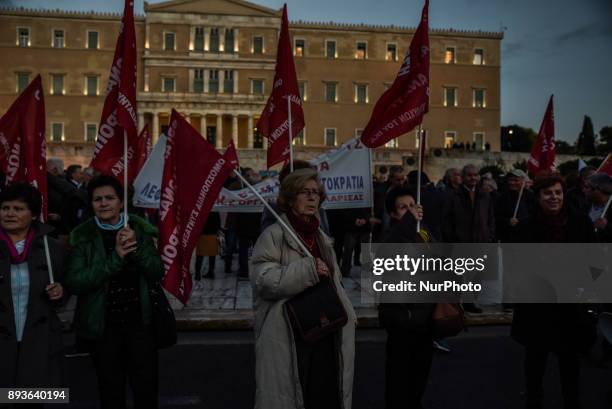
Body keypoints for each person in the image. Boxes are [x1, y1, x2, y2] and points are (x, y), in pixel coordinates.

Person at [250, 168, 356, 409]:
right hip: (292, 331)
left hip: (327, 327)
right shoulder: (273, 235)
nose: (311, 198)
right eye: (304, 192)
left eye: (315, 193)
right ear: (289, 198)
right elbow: (263, 281)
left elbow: (334, 281)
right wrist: (306, 271)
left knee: (326, 392)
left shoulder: (322, 237)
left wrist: (349, 312)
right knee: (298, 393)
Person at [64, 175, 164, 409]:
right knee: (110, 390)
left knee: (146, 389)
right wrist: (116, 257)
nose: (104, 203)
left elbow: (156, 272)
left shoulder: (138, 228)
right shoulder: (83, 236)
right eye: (97, 199)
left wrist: (136, 249)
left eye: (110, 198)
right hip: (103, 327)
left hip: (140, 324)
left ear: (121, 202)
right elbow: (76, 281)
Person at [511, 172, 597, 409]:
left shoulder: (580, 222)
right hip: (537, 308)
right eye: (548, 193)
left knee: (570, 364)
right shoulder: (526, 227)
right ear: (538, 196)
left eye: (558, 192)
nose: (554, 197)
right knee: (535, 364)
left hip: (570, 307)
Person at [0, 183, 66, 395]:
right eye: (5, 208)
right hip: (3, 343)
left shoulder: (51, 247)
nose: (9, 213)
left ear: (34, 215)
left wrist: (60, 293)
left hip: (38, 342)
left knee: (32, 401)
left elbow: (67, 291)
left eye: (18, 209)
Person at [378, 187, 437, 409]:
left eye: (413, 205)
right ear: (393, 215)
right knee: (399, 378)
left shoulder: (425, 233)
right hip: (403, 319)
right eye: (404, 208)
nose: (411, 210)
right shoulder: (391, 237)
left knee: (420, 375)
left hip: (426, 318)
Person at [442, 164, 496, 313]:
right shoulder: (454, 195)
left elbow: (490, 217)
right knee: (460, 275)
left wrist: (489, 235)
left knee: (476, 274)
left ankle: (471, 302)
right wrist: (451, 238)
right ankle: (459, 303)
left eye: (475, 175)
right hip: (461, 242)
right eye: (469, 175)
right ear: (463, 177)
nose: (473, 178)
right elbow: (447, 219)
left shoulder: (485, 194)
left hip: (480, 241)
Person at [495, 169, 534, 242]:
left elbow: (533, 214)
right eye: (510, 180)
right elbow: (497, 217)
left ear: (523, 181)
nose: (512, 183)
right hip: (509, 239)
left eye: (516, 180)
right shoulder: (502, 197)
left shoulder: (530, 196)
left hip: (527, 238)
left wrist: (522, 221)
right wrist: (508, 221)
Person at [195, 212, 220, 280]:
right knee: (212, 255)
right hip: (212, 233)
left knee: (200, 255)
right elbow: (218, 222)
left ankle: (197, 274)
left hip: (203, 233)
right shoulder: (216, 210)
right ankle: (211, 272)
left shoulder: (204, 207)